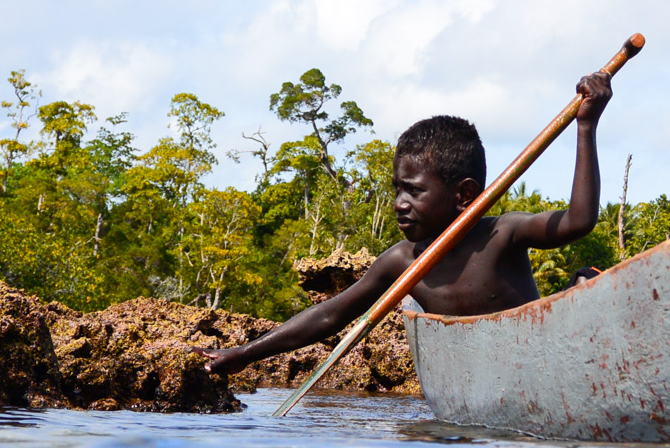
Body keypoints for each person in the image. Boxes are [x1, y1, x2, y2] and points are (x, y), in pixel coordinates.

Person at [196, 71, 612, 376]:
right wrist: (244, 354)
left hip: (532, 362)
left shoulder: (504, 233)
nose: (399, 204)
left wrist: (586, 125)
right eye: (397, 190)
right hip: (472, 377)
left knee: (586, 282)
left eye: (413, 191)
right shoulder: (402, 262)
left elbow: (578, 222)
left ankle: (582, 290)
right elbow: (329, 316)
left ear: (463, 195)